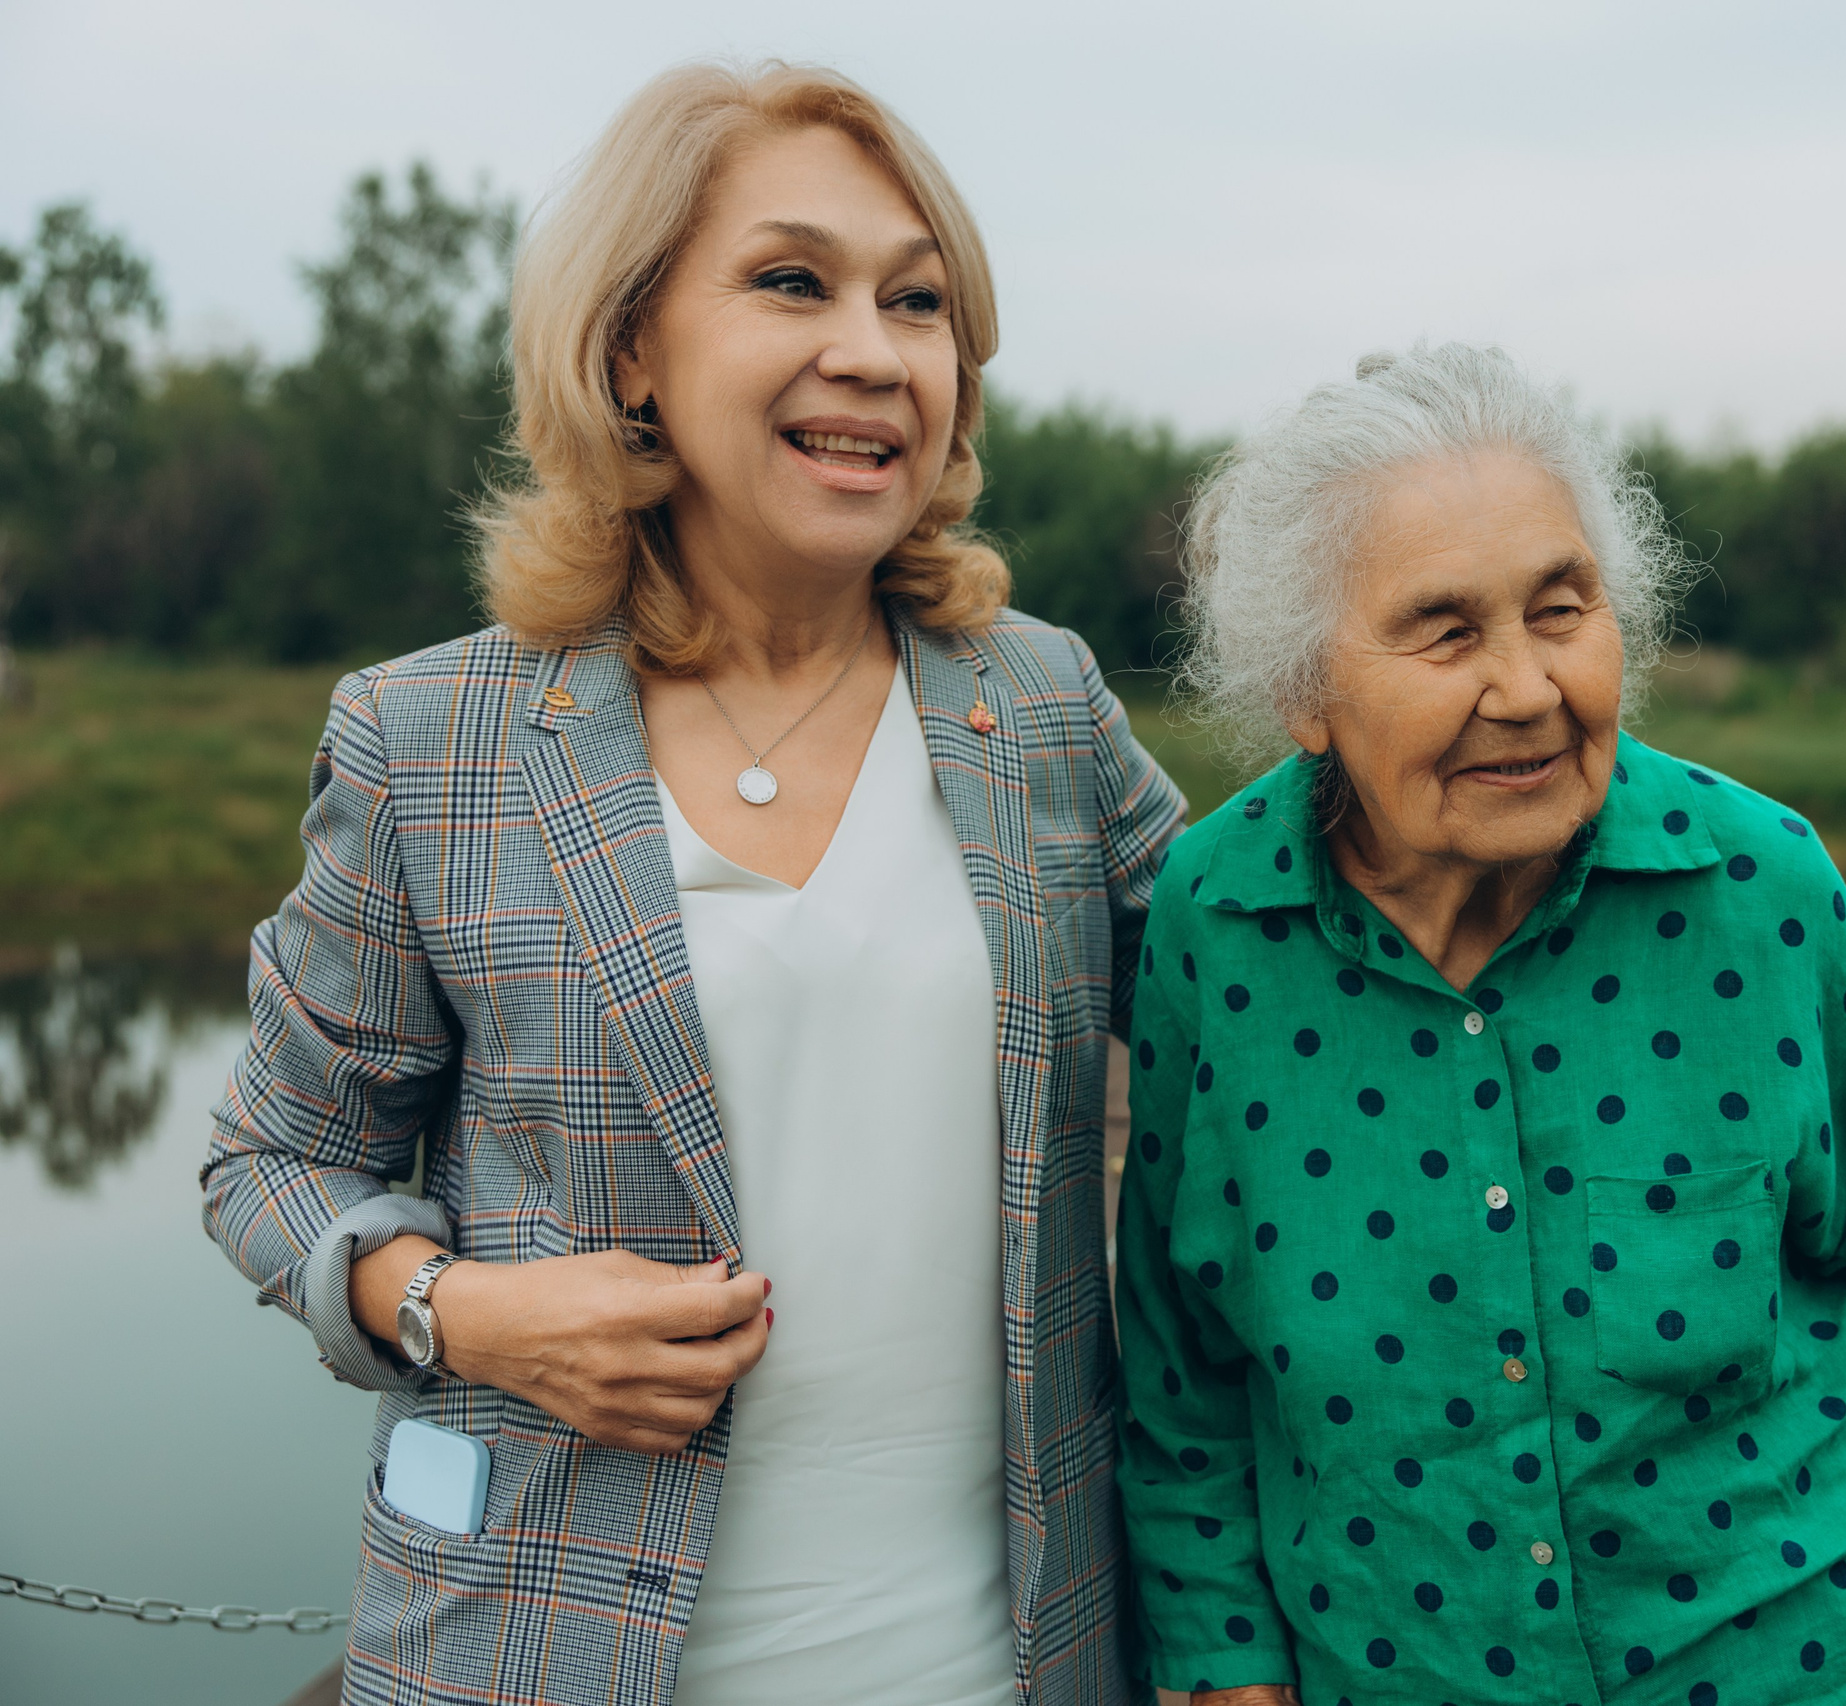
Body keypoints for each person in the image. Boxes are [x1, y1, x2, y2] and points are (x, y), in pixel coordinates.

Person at [200, 61, 1182, 1706]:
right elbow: (273, 1157)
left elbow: (1270, 990)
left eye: (918, 302)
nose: (871, 350)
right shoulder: (428, 736)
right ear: (631, 349)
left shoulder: (1047, 706)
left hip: (1003, 1665)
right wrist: (464, 1311)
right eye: (792, 280)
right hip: (532, 1660)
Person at [1113, 344, 1846, 1705]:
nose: (1526, 688)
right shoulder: (1217, 926)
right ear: (1305, 694)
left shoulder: (1759, 885)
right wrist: (1230, 1676)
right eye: (1447, 633)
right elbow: (1181, 1374)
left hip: (1840, 1662)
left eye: (1561, 611)